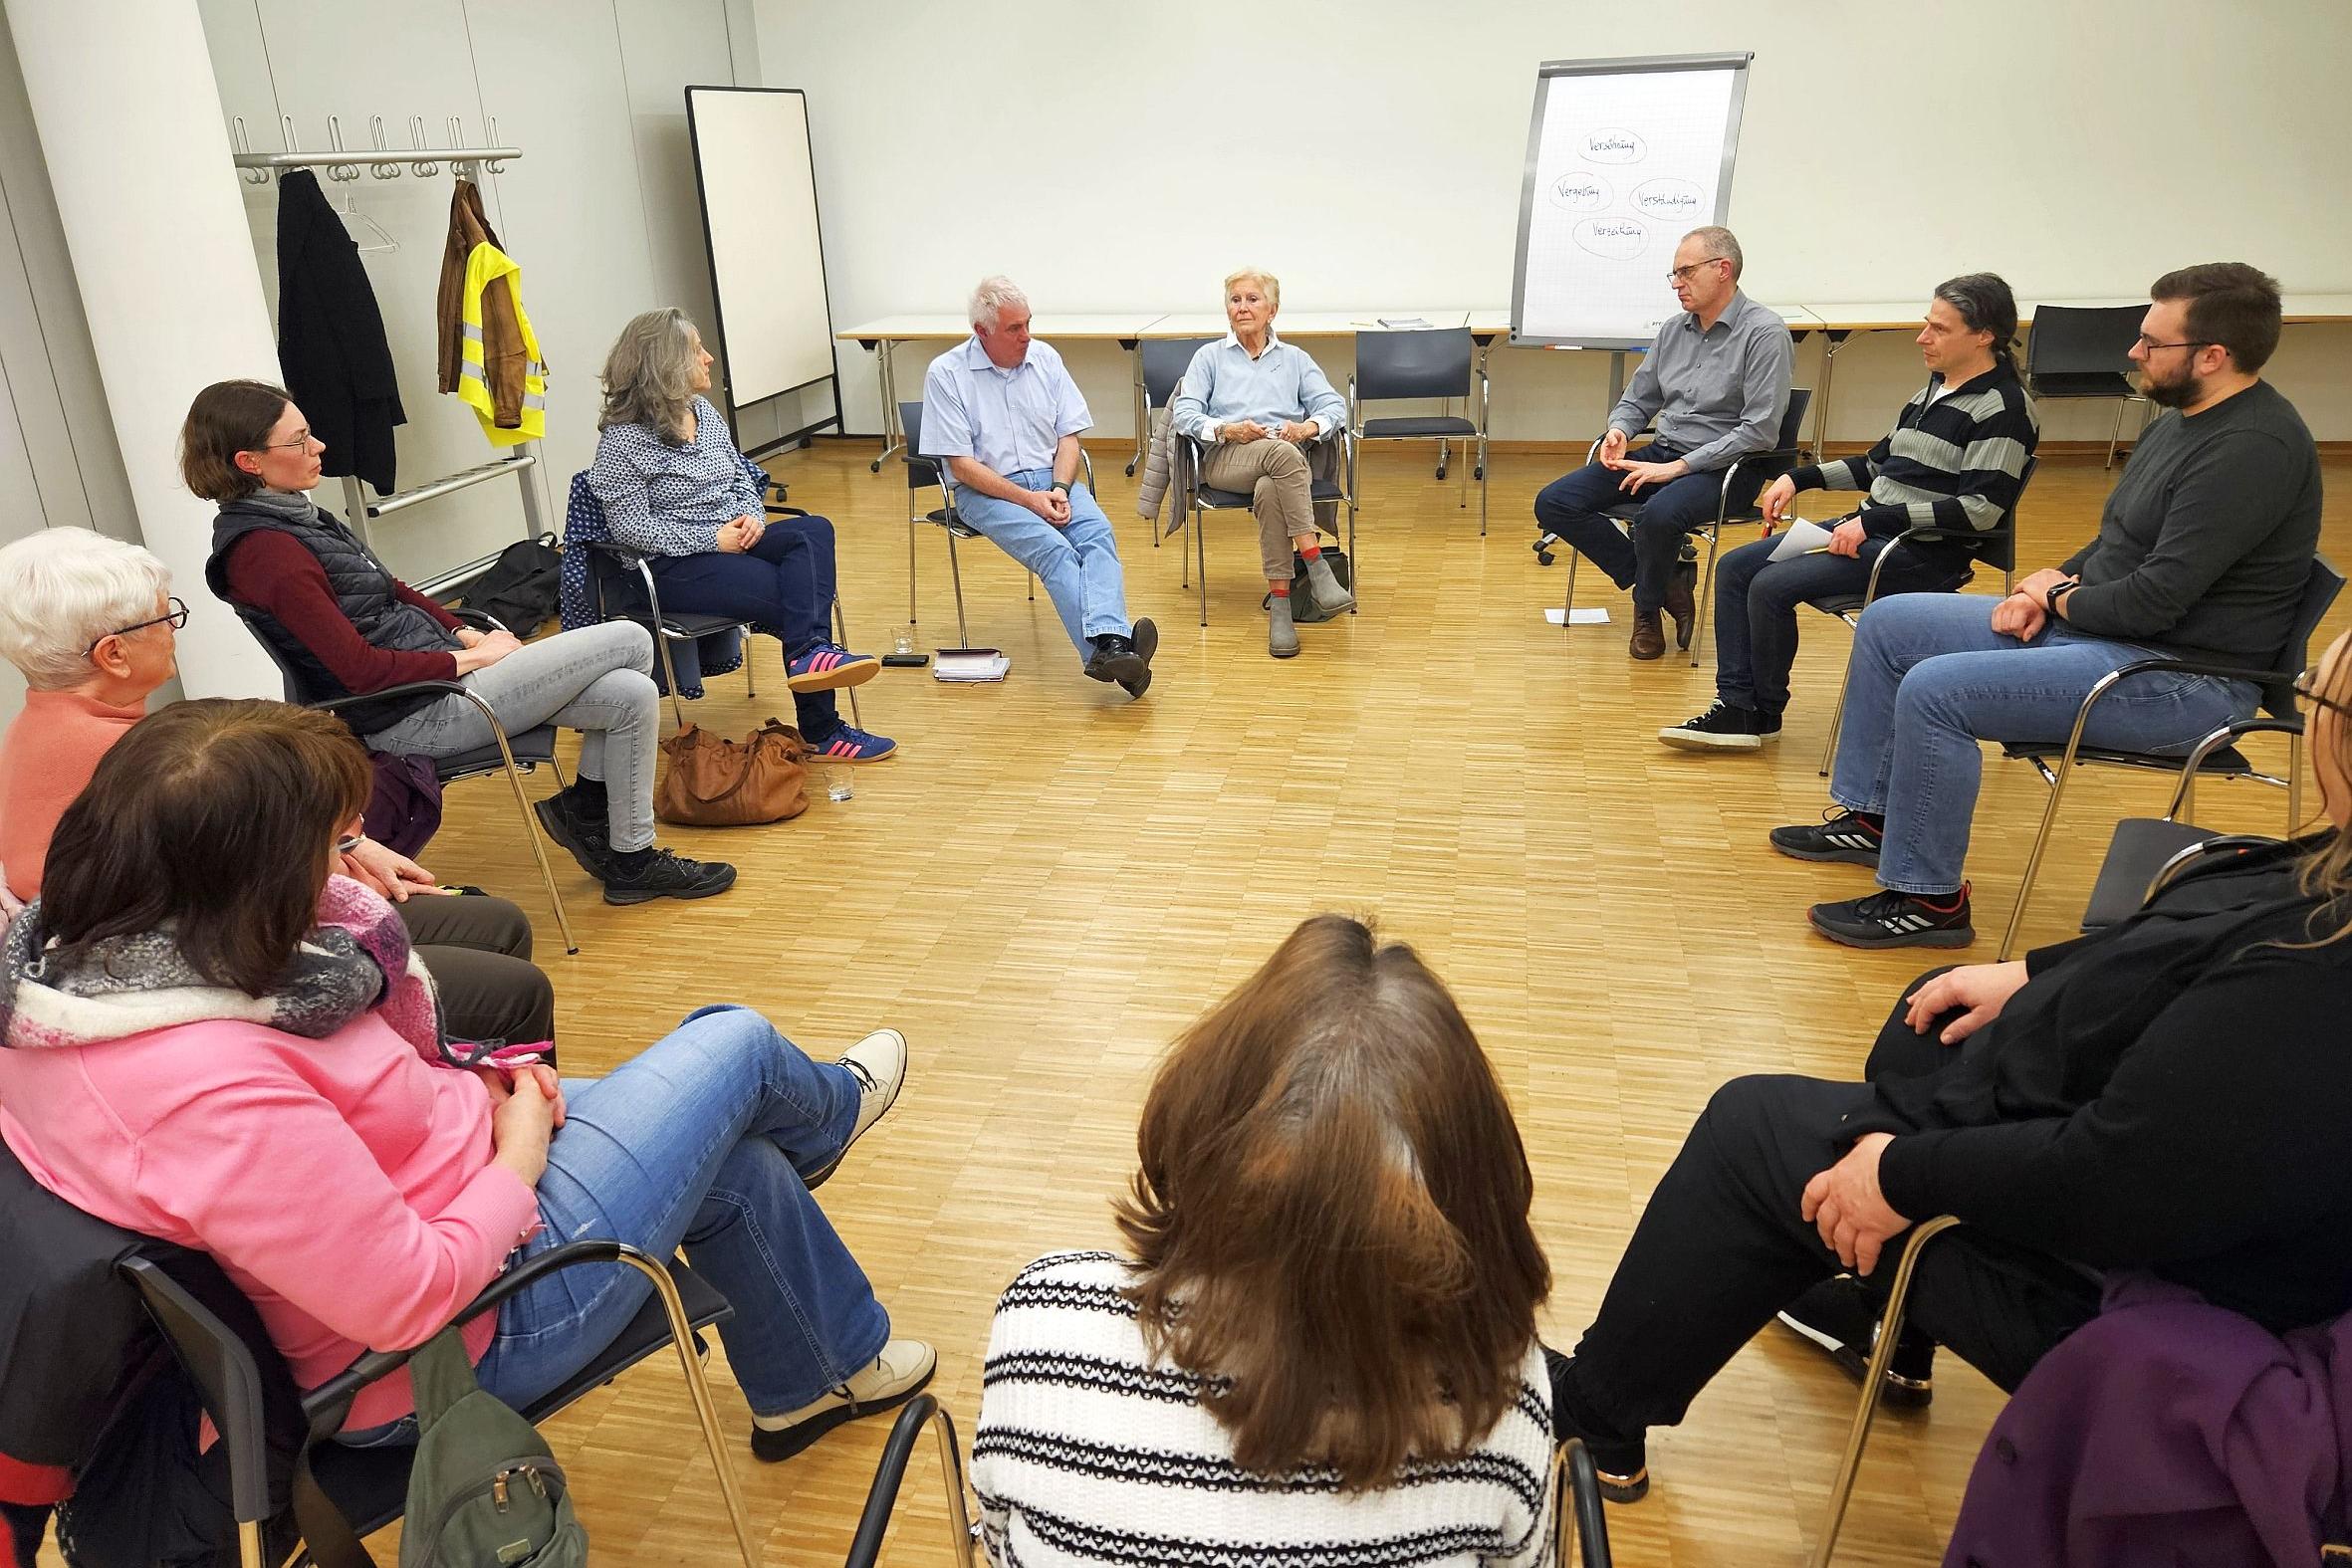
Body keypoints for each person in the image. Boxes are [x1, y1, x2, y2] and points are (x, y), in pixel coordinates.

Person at [0, 699, 935, 1460]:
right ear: (251, 878)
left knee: (733, 1153)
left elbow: (348, 1128)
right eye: (332, 848)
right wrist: (518, 1154)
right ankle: (835, 1113)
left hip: (456, 1184)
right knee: (733, 1043)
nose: (346, 869)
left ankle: (818, 1373)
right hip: (466, 1333)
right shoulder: (205, 1091)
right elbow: (409, 1295)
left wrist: (480, 1087)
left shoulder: (88, 970)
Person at [1547, 623, 2352, 1506]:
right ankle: (1884, 1316)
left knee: (1753, 1129)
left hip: (2157, 1316)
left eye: (2319, 695)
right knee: (1928, 1021)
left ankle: (1596, 1416)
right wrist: (2035, 976)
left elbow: (2117, 1182)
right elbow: (2182, 957)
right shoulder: (2327, 895)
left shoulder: (2314, 982)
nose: (2305, 698)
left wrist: (1901, 1175)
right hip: (2159, 1188)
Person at [973, 915, 1554, 1566]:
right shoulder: (1498, 1396)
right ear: (1476, 1198)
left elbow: (1000, 1543)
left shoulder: (1043, 1321)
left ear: (1203, 1110)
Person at [1771, 262, 2322, 949]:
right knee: (1888, 624)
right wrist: (2051, 581)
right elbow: (2117, 542)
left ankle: (1928, 898)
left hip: (2181, 679)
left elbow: (2154, 602)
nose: (2133, 352)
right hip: (2113, 636)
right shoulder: (2181, 419)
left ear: (2213, 356)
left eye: (2152, 342)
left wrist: (2057, 599)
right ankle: (1875, 817)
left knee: (1936, 691)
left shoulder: (2250, 450)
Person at [185, 379, 735, 906]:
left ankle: (629, 860)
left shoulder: (298, 517)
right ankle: (588, 811)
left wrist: (463, 629)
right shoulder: (266, 553)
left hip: (441, 680)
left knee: (630, 694)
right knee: (632, 639)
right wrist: (472, 656)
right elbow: (359, 671)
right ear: (248, 462)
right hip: (411, 713)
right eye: (299, 438)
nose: (319, 445)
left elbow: (392, 588)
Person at [0, 528, 553, 1050]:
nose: (174, 628)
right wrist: (337, 864)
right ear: (113, 654)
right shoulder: (129, 762)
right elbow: (235, 895)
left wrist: (348, 847)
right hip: (223, 969)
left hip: (233, 932)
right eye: (164, 616)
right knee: (513, 989)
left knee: (497, 924)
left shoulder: (55, 731)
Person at [1659, 274, 2039, 752]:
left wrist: (1874, 522)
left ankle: (1759, 712)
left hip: (1921, 553)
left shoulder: (2003, 409)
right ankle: (1738, 705)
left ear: (1983, 335)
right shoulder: (1933, 390)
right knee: (1737, 568)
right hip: (1872, 530)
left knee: (1770, 584)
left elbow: (1980, 511)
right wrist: (1800, 477)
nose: (1923, 337)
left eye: (1939, 329)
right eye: (1927, 324)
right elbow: (1879, 464)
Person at [588, 308, 895, 762]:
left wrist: (754, 517)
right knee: (800, 596)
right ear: (668, 364)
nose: (709, 358)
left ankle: (809, 656)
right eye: (697, 350)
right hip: (672, 567)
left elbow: (740, 479)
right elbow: (631, 528)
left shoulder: (703, 412)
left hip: (732, 541)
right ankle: (823, 728)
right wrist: (712, 539)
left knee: (813, 531)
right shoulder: (621, 442)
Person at [1530, 227, 1795, 659]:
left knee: (1657, 516)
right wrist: (1620, 430)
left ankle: (1646, 609)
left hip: (1727, 468)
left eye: (1686, 272)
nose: (1676, 283)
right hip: (1663, 454)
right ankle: (1667, 582)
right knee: (1555, 502)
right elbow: (1638, 399)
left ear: (1723, 270)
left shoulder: (1764, 334)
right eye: (1673, 274)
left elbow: (1760, 431)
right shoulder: (1674, 330)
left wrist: (1679, 468)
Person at [919, 277, 1158, 697]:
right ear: (982, 332)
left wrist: (1061, 488)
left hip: (1053, 482)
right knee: (1054, 551)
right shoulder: (947, 373)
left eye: (1028, 323)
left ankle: (1112, 650)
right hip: (986, 492)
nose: (1027, 336)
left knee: (1098, 535)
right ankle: (1113, 651)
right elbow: (962, 466)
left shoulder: (1045, 358)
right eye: (1014, 329)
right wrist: (1030, 499)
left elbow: (1069, 437)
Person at [1168, 269, 1354, 659]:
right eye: (1235, 300)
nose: (1242, 307)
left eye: (1252, 299)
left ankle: (1281, 610)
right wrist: (1228, 430)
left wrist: (1307, 427)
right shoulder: (1210, 358)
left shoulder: (1295, 360)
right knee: (1283, 457)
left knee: (1272, 486)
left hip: (1279, 465)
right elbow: (1184, 414)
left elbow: (1334, 405)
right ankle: (1314, 563)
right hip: (1226, 458)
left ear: (1273, 310)